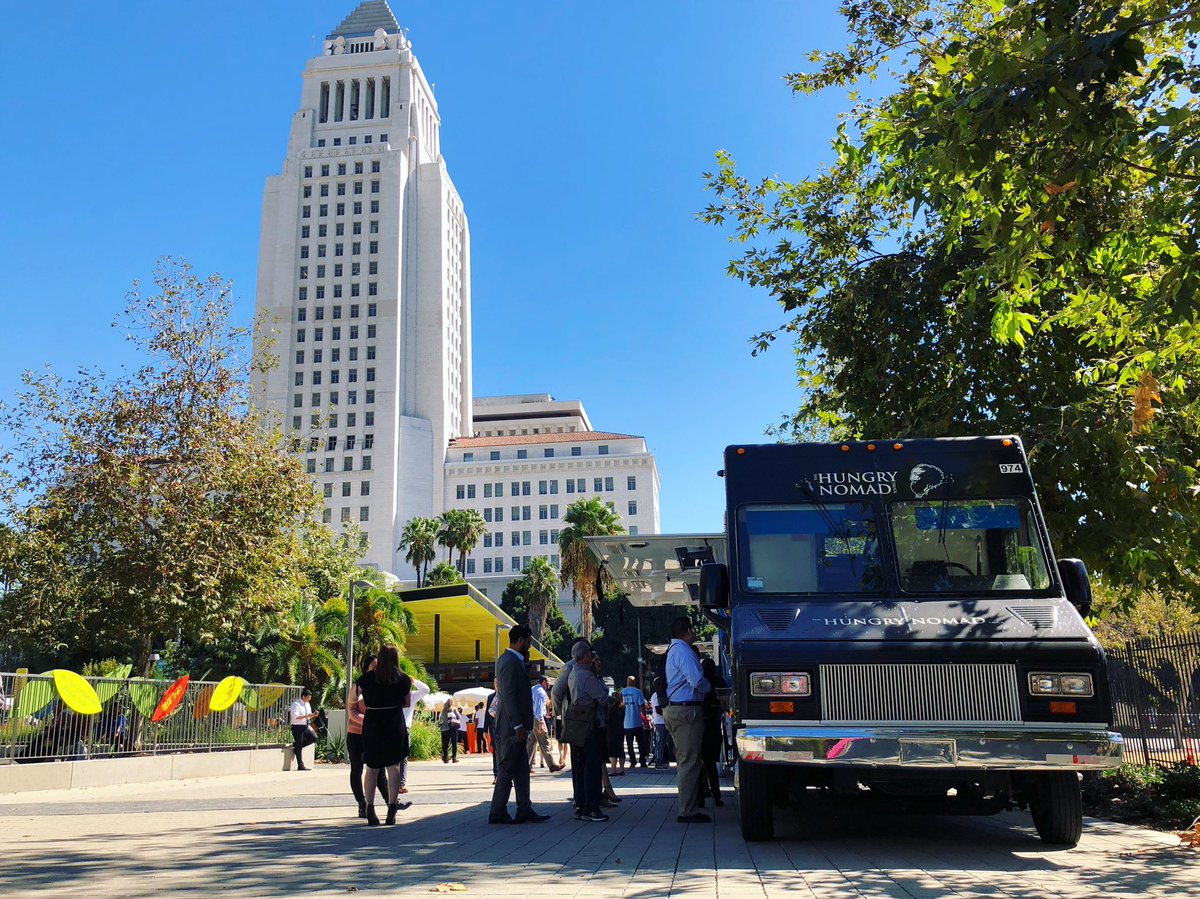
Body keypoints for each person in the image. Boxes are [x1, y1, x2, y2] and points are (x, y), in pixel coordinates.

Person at [488, 625, 551, 824]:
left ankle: (524, 807)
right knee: (507, 768)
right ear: (521, 640)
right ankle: (497, 811)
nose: (530, 645)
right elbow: (508, 696)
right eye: (529, 641)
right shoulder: (508, 661)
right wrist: (517, 725)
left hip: (518, 725)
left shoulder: (514, 660)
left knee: (522, 768)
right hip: (511, 727)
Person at [356, 644, 413, 826]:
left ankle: (370, 808)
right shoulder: (403, 679)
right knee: (393, 766)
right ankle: (391, 808)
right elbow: (406, 703)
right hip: (393, 721)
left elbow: (357, 698)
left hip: (373, 722)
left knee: (371, 768)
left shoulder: (367, 678)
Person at [662, 617, 712, 824]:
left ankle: (688, 806)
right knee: (689, 761)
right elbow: (696, 680)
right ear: (689, 631)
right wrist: (709, 688)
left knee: (686, 759)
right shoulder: (684, 651)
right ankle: (687, 810)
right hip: (687, 711)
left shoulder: (672, 650)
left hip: (675, 710)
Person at [568, 642, 611, 822]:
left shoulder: (572, 674)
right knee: (592, 767)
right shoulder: (587, 676)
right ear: (585, 657)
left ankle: (581, 804)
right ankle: (591, 807)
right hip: (590, 724)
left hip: (576, 724)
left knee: (580, 767)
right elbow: (602, 698)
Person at [347, 655, 388, 816]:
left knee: (380, 770)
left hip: (375, 735)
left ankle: (390, 802)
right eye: (373, 666)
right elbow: (352, 712)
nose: (377, 670)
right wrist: (370, 721)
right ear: (366, 668)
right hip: (356, 735)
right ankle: (361, 803)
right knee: (357, 769)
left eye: (379, 667)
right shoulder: (358, 687)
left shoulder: (382, 686)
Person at [697, 655, 727, 809]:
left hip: (700, 724)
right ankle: (717, 796)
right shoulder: (719, 682)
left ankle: (701, 797)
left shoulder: (701, 682)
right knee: (711, 764)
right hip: (714, 725)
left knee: (701, 763)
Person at [399, 673, 430, 795]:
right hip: (401, 728)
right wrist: (414, 681)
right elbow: (425, 689)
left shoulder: (410, 696)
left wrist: (414, 681)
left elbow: (426, 689)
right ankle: (399, 784)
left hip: (401, 728)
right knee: (400, 758)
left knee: (401, 758)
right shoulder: (408, 696)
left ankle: (399, 784)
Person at [528, 675, 562, 773]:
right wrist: (541, 722)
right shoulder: (541, 692)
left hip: (531, 717)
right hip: (538, 718)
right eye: (548, 682)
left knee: (531, 743)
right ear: (543, 682)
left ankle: (526, 766)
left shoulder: (533, 689)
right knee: (544, 741)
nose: (549, 684)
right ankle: (551, 765)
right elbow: (539, 707)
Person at [289, 688, 320, 771]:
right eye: (308, 697)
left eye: (310, 697)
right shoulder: (296, 704)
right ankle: (300, 765)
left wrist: (313, 715)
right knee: (299, 742)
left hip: (305, 726)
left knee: (314, 737)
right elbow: (296, 717)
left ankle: (297, 747)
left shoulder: (307, 704)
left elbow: (308, 716)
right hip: (297, 726)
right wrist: (307, 716)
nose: (309, 699)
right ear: (303, 696)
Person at [620, 677, 645, 768]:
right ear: (635, 682)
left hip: (626, 722)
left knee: (629, 744)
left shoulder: (622, 692)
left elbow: (620, 706)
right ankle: (642, 761)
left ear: (627, 682)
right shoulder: (637, 692)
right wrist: (644, 717)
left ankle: (632, 761)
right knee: (640, 743)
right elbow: (642, 705)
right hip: (637, 721)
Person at [606, 682, 625, 776]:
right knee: (621, 750)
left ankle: (613, 770)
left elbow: (607, 719)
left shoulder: (610, 708)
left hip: (611, 730)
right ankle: (622, 769)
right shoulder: (623, 707)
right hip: (621, 729)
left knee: (613, 751)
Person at [650, 687, 670, 768]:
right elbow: (658, 709)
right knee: (660, 743)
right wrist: (668, 712)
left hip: (664, 721)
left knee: (663, 743)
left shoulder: (660, 695)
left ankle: (663, 760)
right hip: (660, 721)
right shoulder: (656, 696)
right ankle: (658, 762)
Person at [440, 699, 461, 763]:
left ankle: (446, 758)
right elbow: (459, 716)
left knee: (445, 744)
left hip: (444, 729)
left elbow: (440, 718)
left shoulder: (443, 710)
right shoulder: (453, 709)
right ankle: (454, 758)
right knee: (454, 743)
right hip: (452, 728)